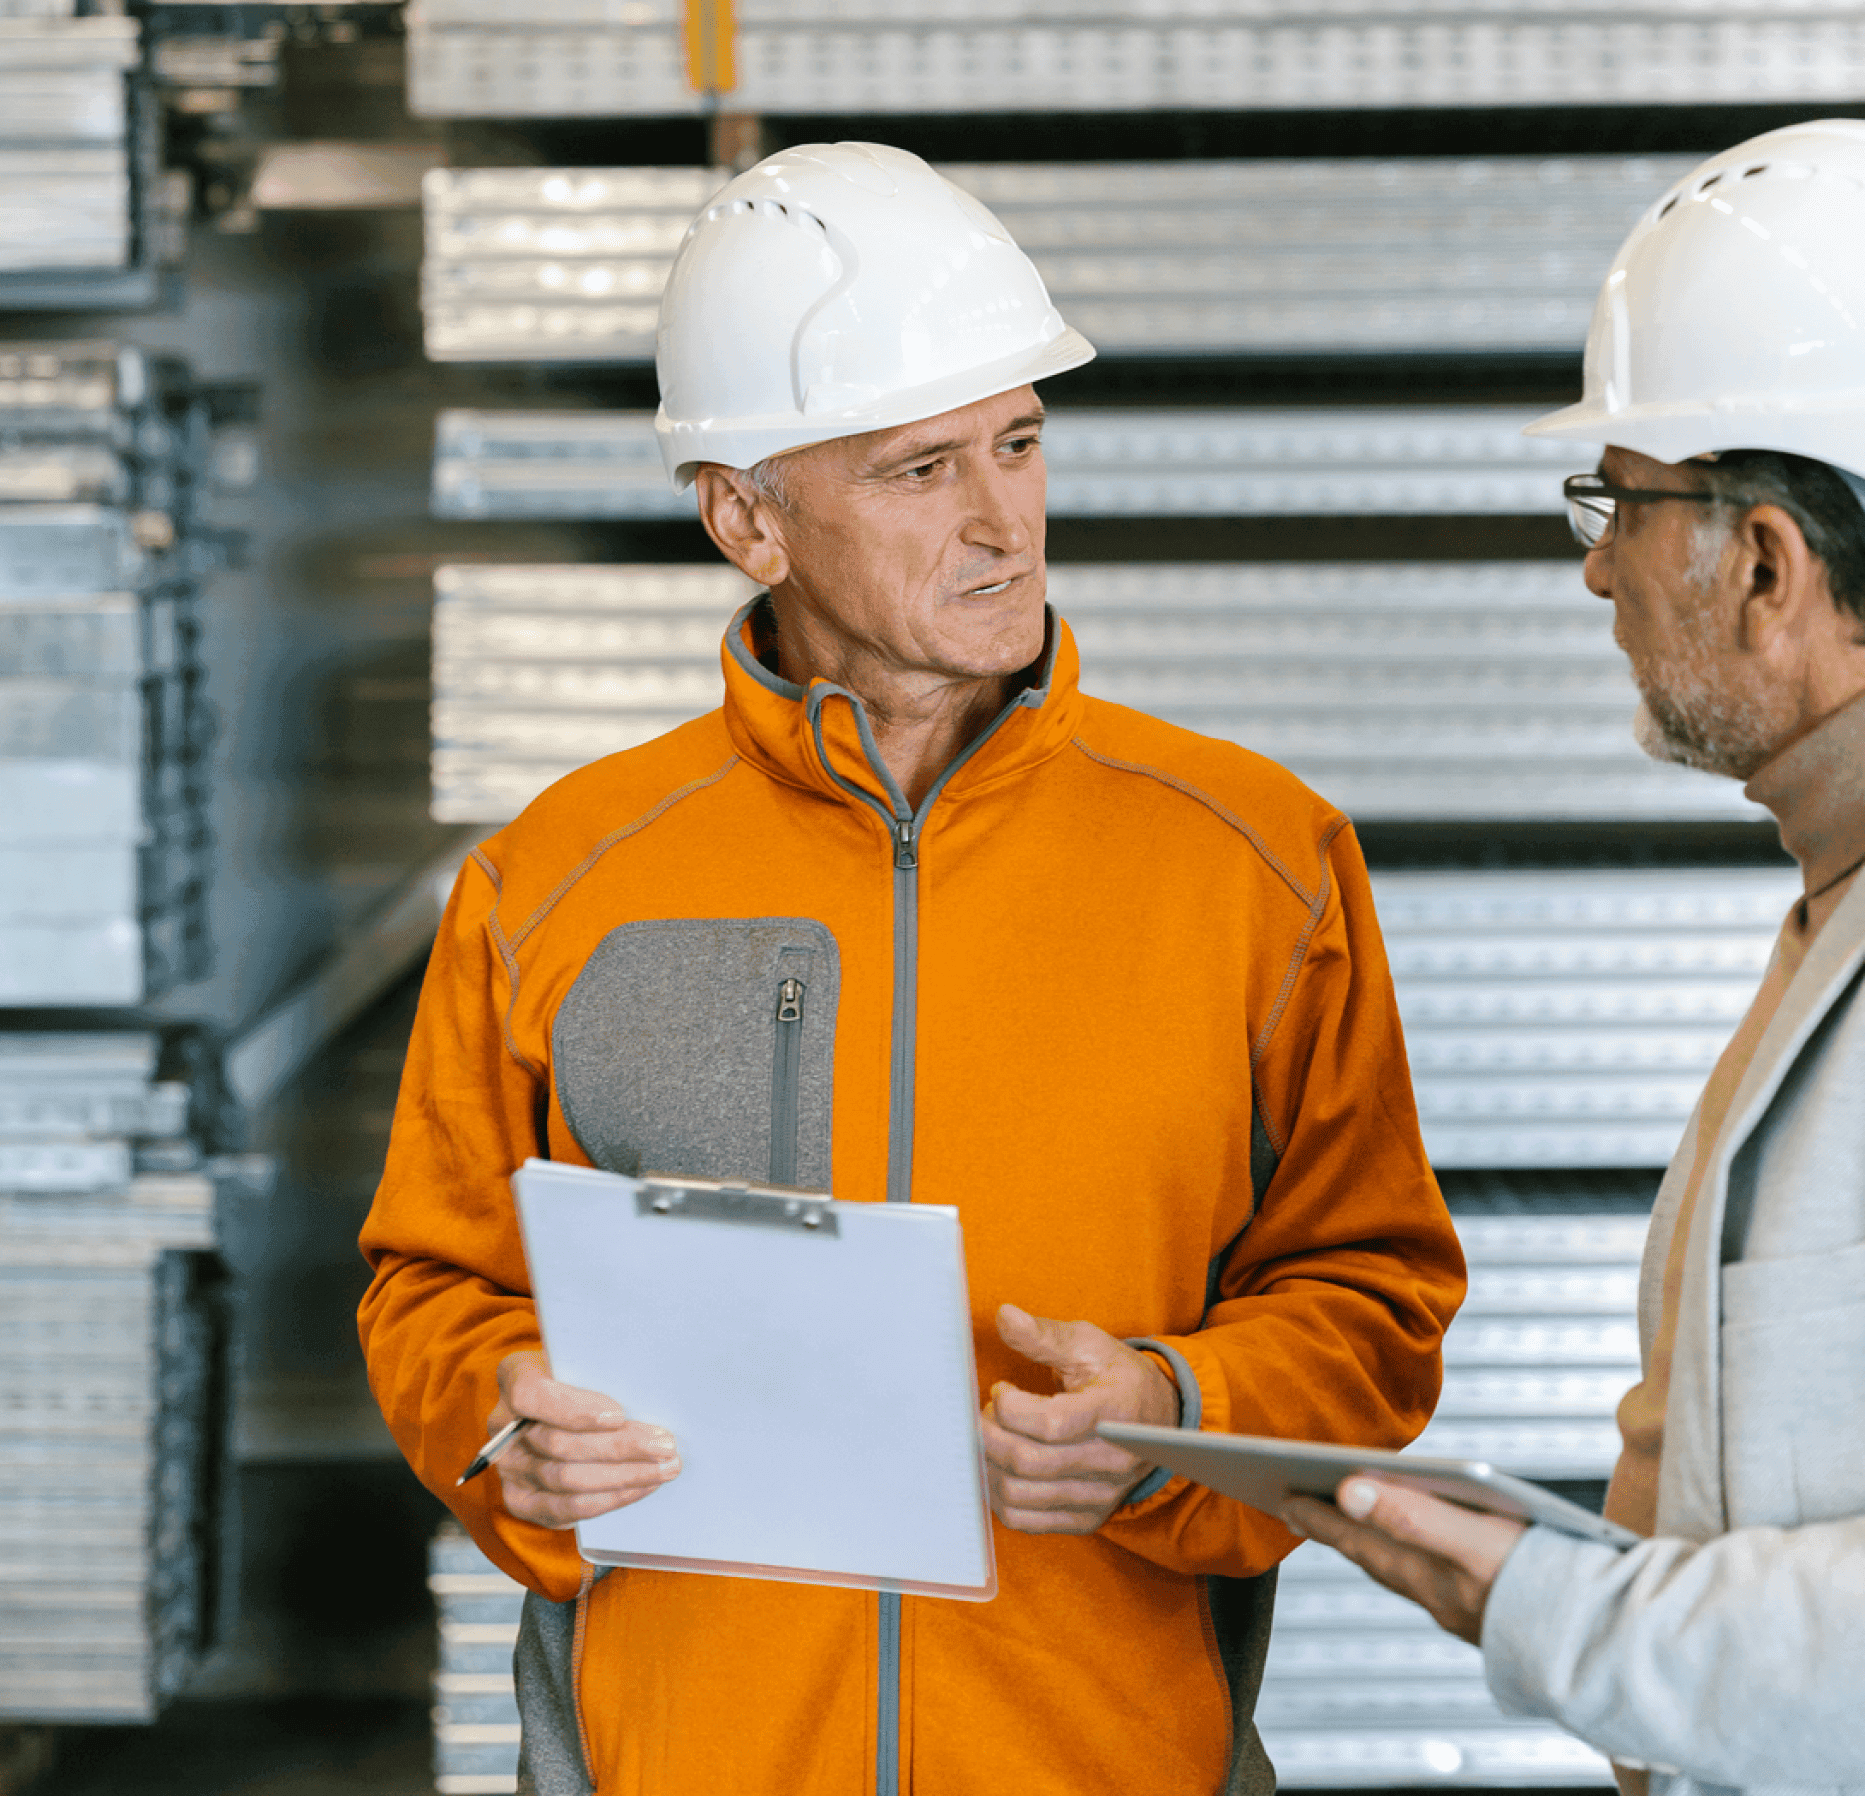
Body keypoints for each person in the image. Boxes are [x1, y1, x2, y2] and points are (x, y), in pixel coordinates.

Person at [359, 143, 1465, 1796]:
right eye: (917, 470)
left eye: (1018, 444)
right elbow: (427, 1290)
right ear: (747, 516)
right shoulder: (560, 879)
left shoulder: (1252, 860)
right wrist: (508, 1422)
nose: (1001, 522)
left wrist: (1176, 1406)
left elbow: (1375, 1306)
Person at [1279, 118, 1865, 1796]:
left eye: (1622, 503)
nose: (1594, 563)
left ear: (1769, 564)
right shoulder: (1855, 893)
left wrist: (1550, 1611)